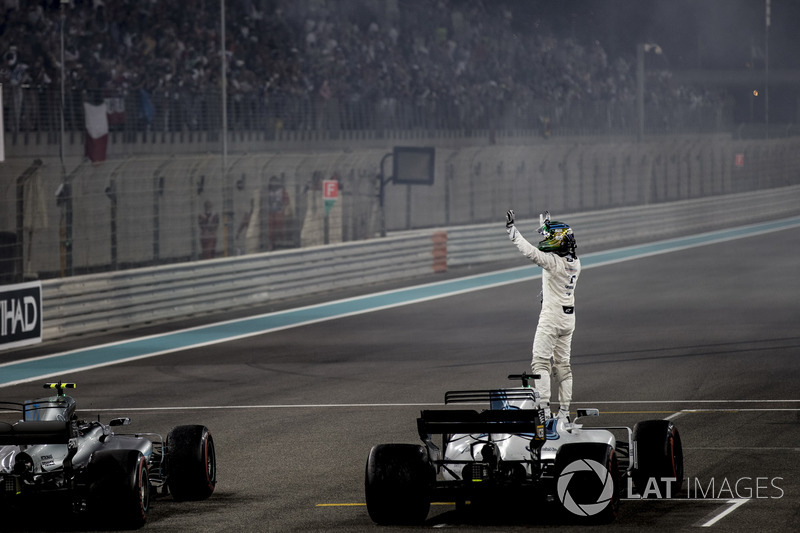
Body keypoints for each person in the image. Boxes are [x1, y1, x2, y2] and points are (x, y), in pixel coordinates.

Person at [505, 209, 580, 420]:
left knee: (540, 363)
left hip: (551, 318)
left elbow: (531, 252)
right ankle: (564, 412)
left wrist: (513, 233)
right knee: (563, 366)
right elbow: (557, 245)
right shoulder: (576, 263)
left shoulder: (552, 263)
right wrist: (547, 230)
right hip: (568, 319)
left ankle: (544, 411)